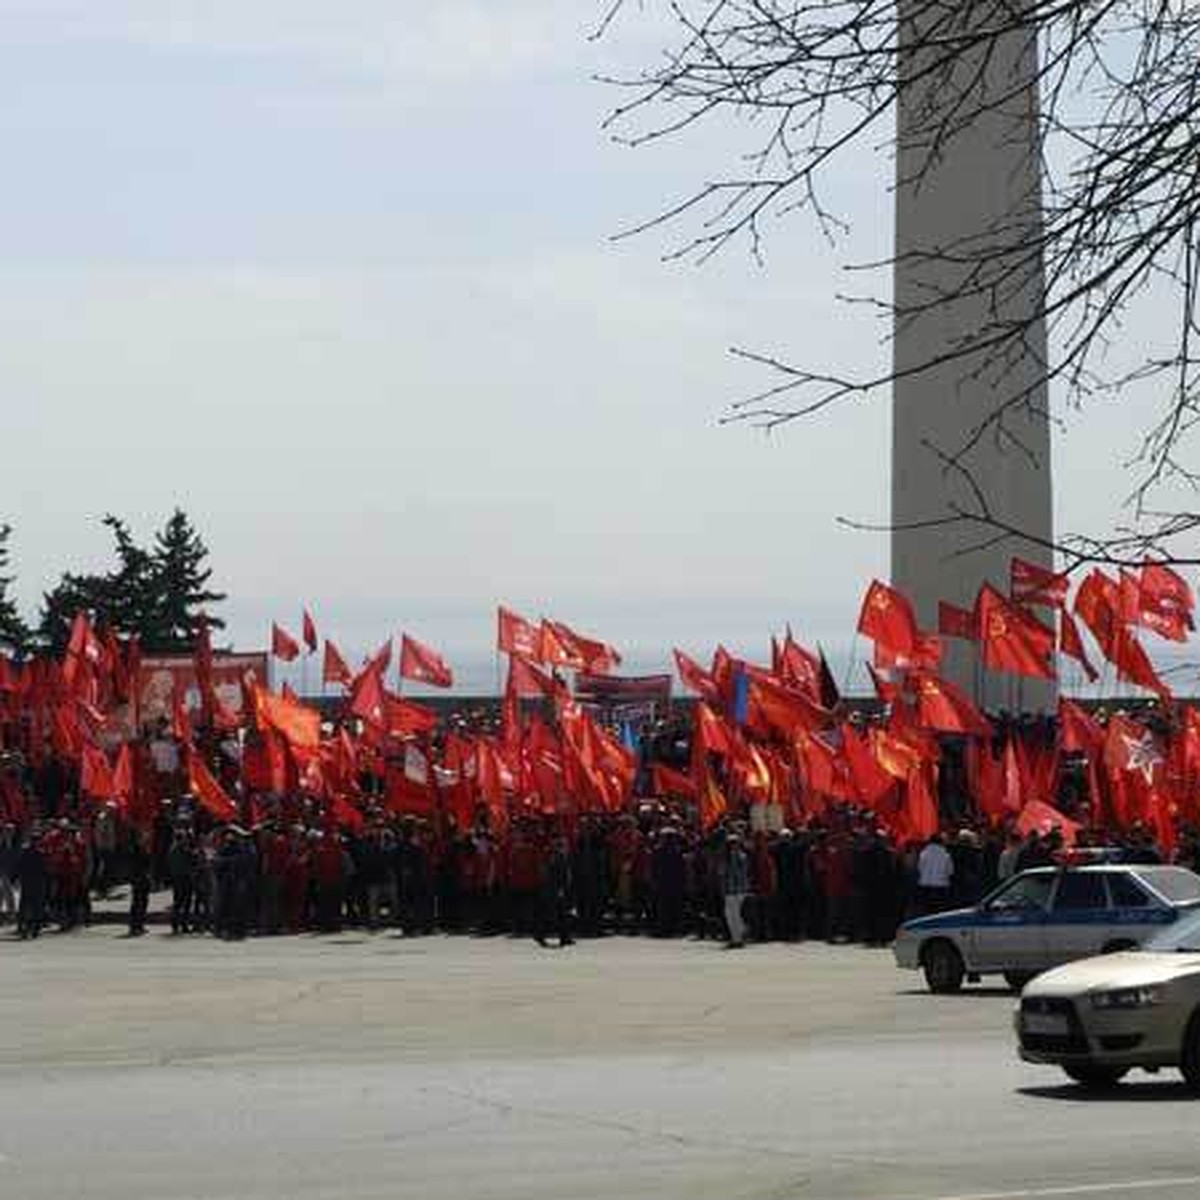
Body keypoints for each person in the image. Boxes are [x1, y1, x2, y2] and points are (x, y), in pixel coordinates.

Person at [535, 832, 574, 948]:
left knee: (562, 914)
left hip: (558, 888)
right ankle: (540, 935)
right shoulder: (553, 855)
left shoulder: (560, 855)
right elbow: (550, 874)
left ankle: (564, 937)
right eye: (561, 844)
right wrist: (558, 889)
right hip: (554, 889)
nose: (564, 846)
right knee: (551, 914)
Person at [722, 833, 751, 949]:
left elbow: (733, 873)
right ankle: (739, 933)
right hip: (736, 888)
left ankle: (737, 938)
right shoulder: (742, 856)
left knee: (732, 914)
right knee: (733, 914)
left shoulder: (736, 856)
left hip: (734, 889)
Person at [915, 833, 954, 915]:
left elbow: (919, 868)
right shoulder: (946, 855)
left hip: (925, 884)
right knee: (939, 910)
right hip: (941, 885)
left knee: (926, 910)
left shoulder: (924, 853)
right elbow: (950, 871)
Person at [127, 828, 152, 936]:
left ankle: (138, 925)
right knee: (138, 902)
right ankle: (135, 925)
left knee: (141, 902)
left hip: (141, 878)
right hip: (139, 879)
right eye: (142, 836)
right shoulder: (136, 850)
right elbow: (139, 866)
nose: (145, 838)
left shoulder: (141, 849)